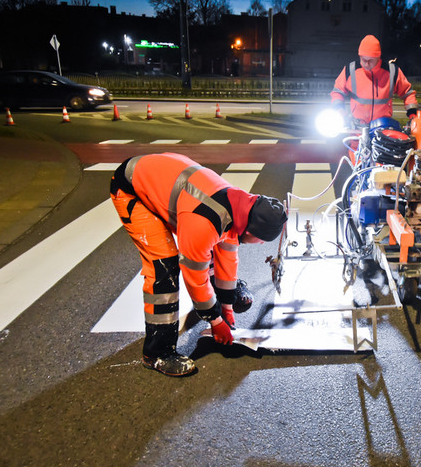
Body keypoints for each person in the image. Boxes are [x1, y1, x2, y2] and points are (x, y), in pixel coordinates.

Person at [110, 153, 288, 377]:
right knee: (165, 267)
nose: (261, 244)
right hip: (131, 189)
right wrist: (215, 319)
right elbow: (194, 277)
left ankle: (216, 302)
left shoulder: (240, 208)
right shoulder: (204, 222)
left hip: (166, 182)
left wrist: (227, 307)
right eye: (262, 240)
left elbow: (228, 259)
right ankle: (157, 353)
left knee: (213, 249)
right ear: (252, 231)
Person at [330, 34, 418, 126]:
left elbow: (407, 93)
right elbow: (337, 92)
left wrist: (412, 114)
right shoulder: (350, 70)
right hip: (356, 127)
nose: (367, 64)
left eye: (371, 60)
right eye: (364, 60)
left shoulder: (392, 71)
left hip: (383, 127)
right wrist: (339, 109)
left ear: (378, 57)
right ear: (360, 56)